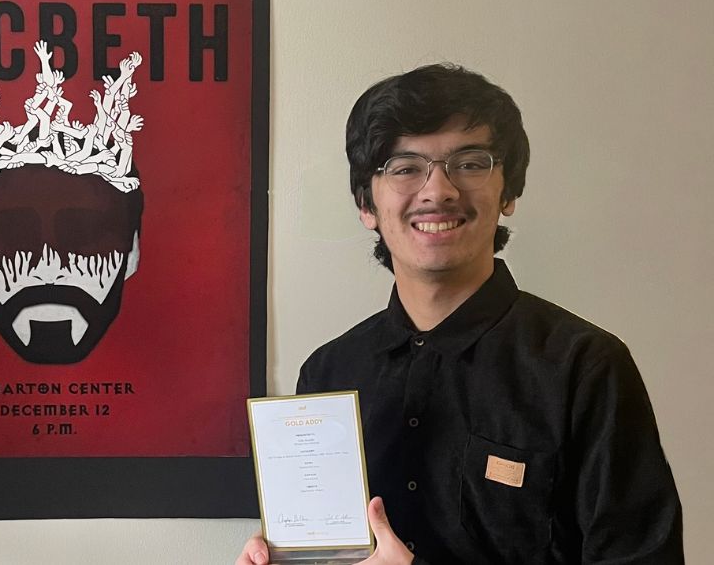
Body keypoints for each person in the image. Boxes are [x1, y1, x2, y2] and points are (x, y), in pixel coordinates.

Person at [237, 64, 682, 564]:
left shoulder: (584, 367)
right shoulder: (329, 372)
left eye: (470, 164)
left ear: (508, 192)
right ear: (366, 203)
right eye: (405, 167)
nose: (438, 191)